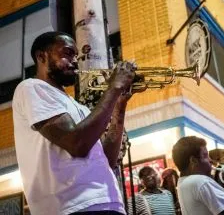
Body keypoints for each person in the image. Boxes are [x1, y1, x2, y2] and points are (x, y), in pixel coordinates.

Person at [12, 32, 136, 215]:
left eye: (76, 56)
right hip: (74, 207)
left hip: (108, 203)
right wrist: (114, 87)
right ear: (41, 56)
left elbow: (108, 159)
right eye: (68, 53)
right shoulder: (31, 88)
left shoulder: (80, 108)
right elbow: (77, 144)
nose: (75, 61)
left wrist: (120, 104)